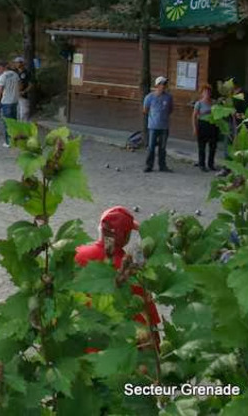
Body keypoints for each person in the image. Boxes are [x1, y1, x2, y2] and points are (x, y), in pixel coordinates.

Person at [74, 207, 161, 350]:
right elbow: (147, 323)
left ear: (100, 229)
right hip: (115, 354)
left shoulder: (75, 255)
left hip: (79, 347)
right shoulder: (131, 272)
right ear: (126, 237)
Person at [143, 76, 174, 173]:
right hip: (153, 126)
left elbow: (170, 109)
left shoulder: (168, 97)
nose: (164, 86)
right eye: (162, 84)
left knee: (162, 147)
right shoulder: (149, 97)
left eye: (165, 84)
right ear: (157, 85)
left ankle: (162, 165)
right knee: (151, 147)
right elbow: (145, 110)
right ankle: (149, 165)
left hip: (164, 126)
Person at [192, 83, 218, 172]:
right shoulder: (199, 103)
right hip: (202, 125)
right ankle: (201, 164)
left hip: (212, 125)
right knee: (202, 146)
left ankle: (211, 164)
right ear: (202, 93)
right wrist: (195, 128)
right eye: (205, 92)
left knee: (213, 146)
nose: (207, 93)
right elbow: (194, 116)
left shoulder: (214, 102)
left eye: (208, 92)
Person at [0, 61, 20, 147]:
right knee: (14, 122)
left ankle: (8, 142)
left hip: (6, 101)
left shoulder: (3, 76)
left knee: (7, 123)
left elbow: (0, 90)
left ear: (1, 67)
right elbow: (19, 85)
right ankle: (15, 141)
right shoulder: (15, 74)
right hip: (15, 101)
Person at [14, 56, 32, 122]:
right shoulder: (15, 73)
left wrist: (24, 91)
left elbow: (31, 84)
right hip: (16, 95)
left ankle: (24, 127)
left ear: (22, 63)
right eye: (15, 63)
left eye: (17, 63)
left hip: (23, 95)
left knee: (24, 112)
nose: (16, 64)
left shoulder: (27, 73)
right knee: (18, 112)